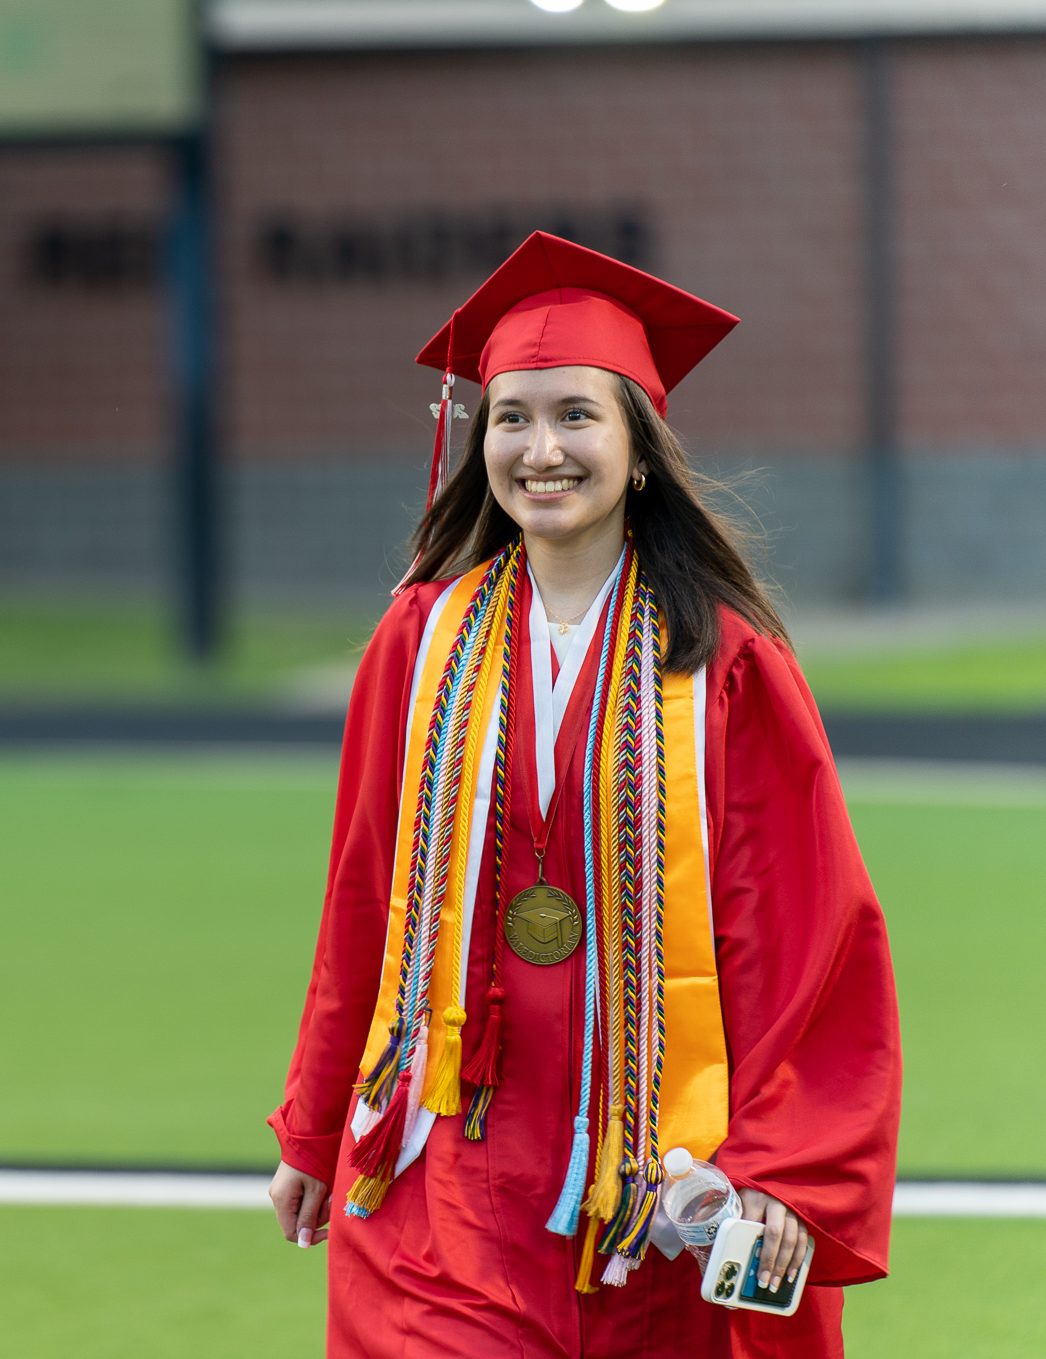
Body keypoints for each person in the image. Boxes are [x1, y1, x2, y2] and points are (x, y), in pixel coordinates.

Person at [266, 233, 900, 1358]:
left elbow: (807, 935)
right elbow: (361, 894)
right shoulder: (418, 641)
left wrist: (776, 1165)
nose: (538, 448)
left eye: (574, 416)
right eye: (510, 417)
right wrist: (315, 1127)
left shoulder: (726, 665)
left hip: (661, 1178)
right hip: (447, 1161)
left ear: (637, 450)